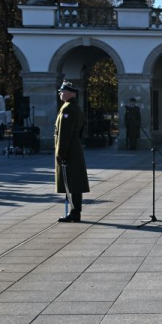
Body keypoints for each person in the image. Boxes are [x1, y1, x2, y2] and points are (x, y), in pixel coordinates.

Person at [55, 81, 89, 223]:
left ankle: (74, 212)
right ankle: (75, 212)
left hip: (69, 151)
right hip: (74, 148)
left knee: (72, 183)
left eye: (62, 91)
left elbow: (64, 134)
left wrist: (61, 153)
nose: (60, 93)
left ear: (69, 93)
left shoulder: (68, 109)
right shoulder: (75, 107)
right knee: (74, 182)